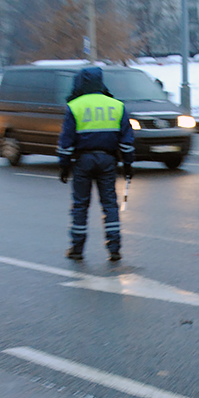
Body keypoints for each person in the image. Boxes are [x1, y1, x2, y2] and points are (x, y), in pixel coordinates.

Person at [57, 67, 135, 262]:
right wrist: (128, 165)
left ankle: (77, 248)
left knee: (80, 205)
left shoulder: (75, 106)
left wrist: (64, 165)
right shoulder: (116, 105)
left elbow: (66, 140)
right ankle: (114, 248)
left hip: (83, 161)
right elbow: (126, 141)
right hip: (108, 159)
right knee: (109, 204)